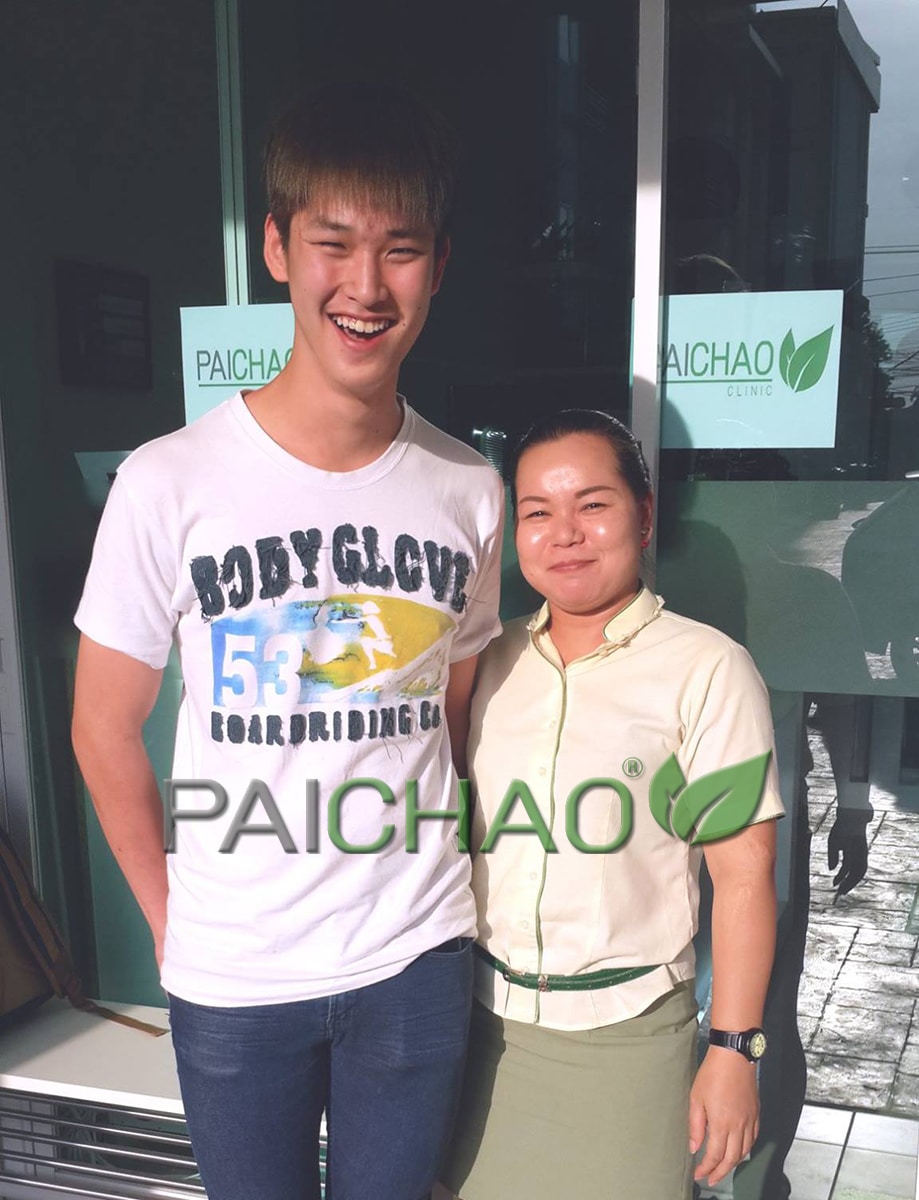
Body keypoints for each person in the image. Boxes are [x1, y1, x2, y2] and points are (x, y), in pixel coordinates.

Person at [70, 82, 503, 1200]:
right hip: (236, 973)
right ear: (275, 247)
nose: (365, 286)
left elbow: (451, 714)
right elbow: (102, 727)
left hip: (414, 956)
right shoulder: (167, 481)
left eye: (400, 250)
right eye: (333, 242)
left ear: (438, 268)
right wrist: (171, 921)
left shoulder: (467, 487)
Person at [441, 409, 783, 1200]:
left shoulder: (707, 668)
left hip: (625, 1038)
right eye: (537, 512)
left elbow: (742, 875)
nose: (564, 533)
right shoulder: (487, 660)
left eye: (592, 504)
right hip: (474, 1028)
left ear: (644, 514)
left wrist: (733, 1050)